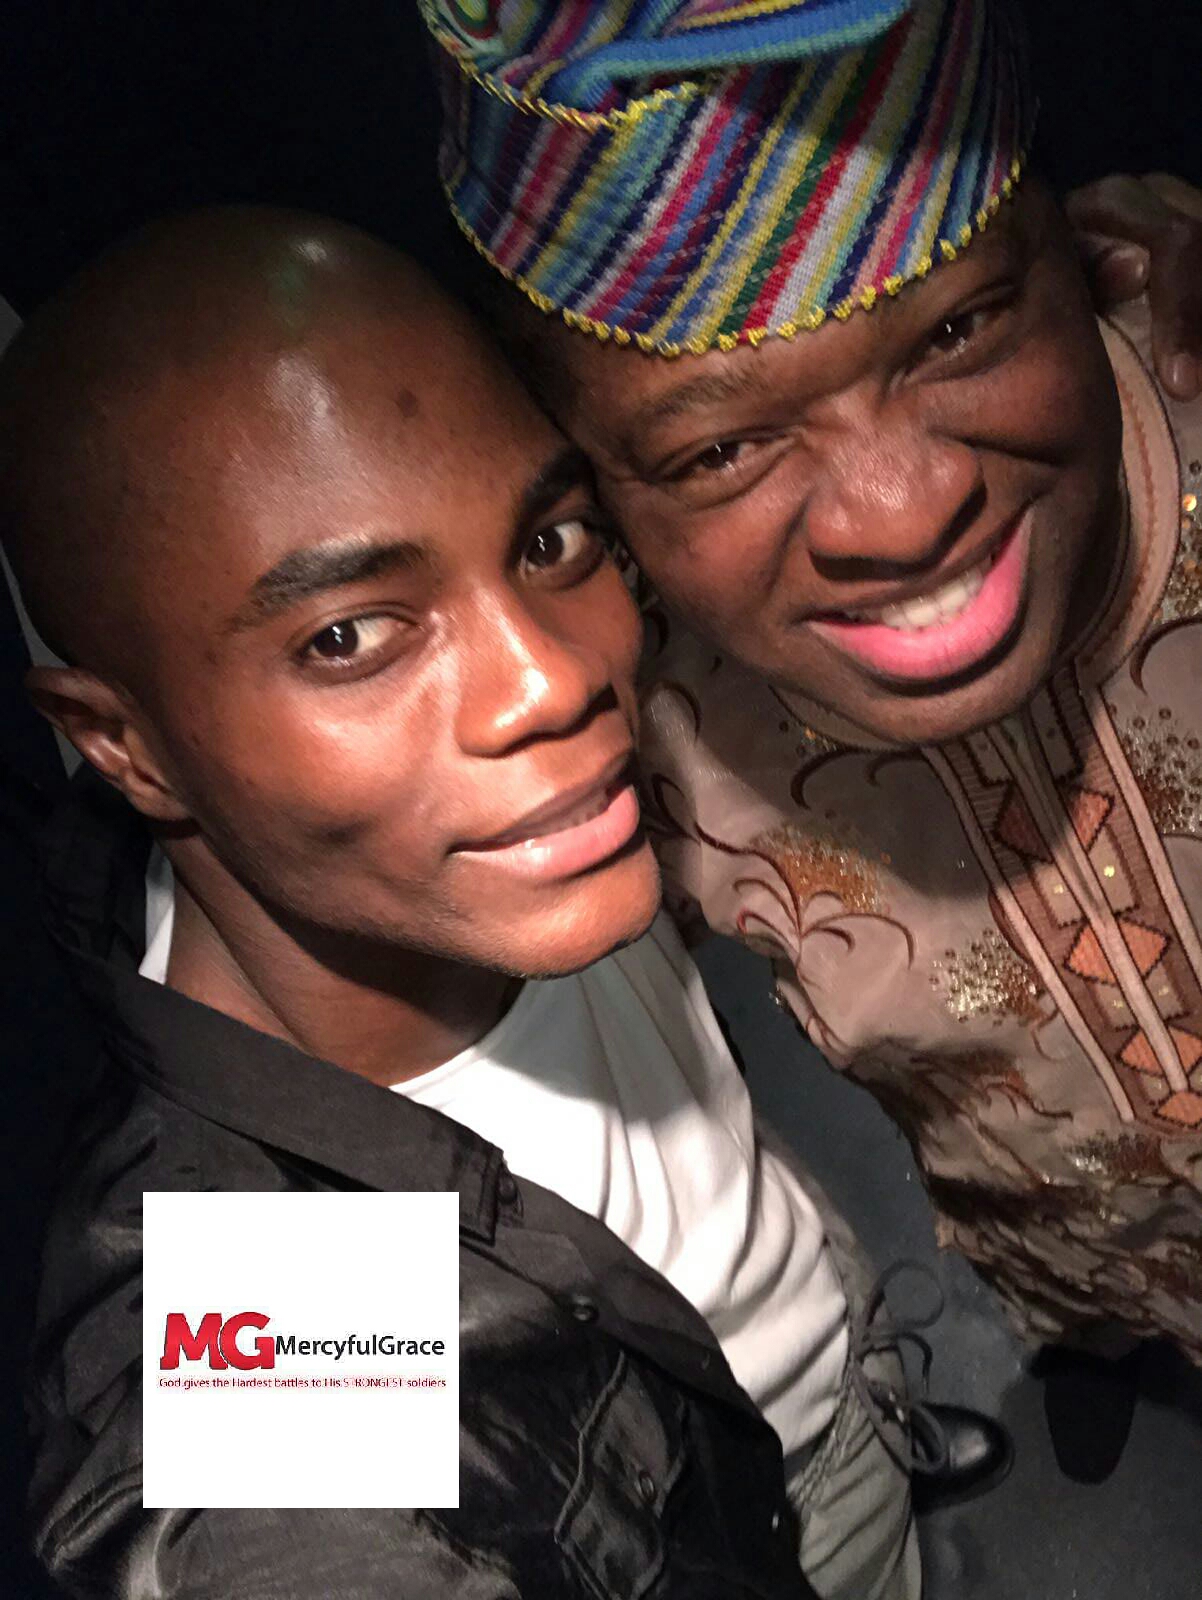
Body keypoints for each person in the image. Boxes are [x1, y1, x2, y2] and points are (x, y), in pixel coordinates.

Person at [1, 206, 947, 1600]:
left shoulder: (460, 847)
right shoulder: (268, 1298)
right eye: (347, 636)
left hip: (826, 1355)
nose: (552, 680)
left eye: (551, 540)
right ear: (125, 745)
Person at [424, 0, 1202, 1472]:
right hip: (1036, 1226)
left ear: (1082, 254)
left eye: (958, 328)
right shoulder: (624, 737)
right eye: (722, 447)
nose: (901, 514)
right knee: (1080, 1310)